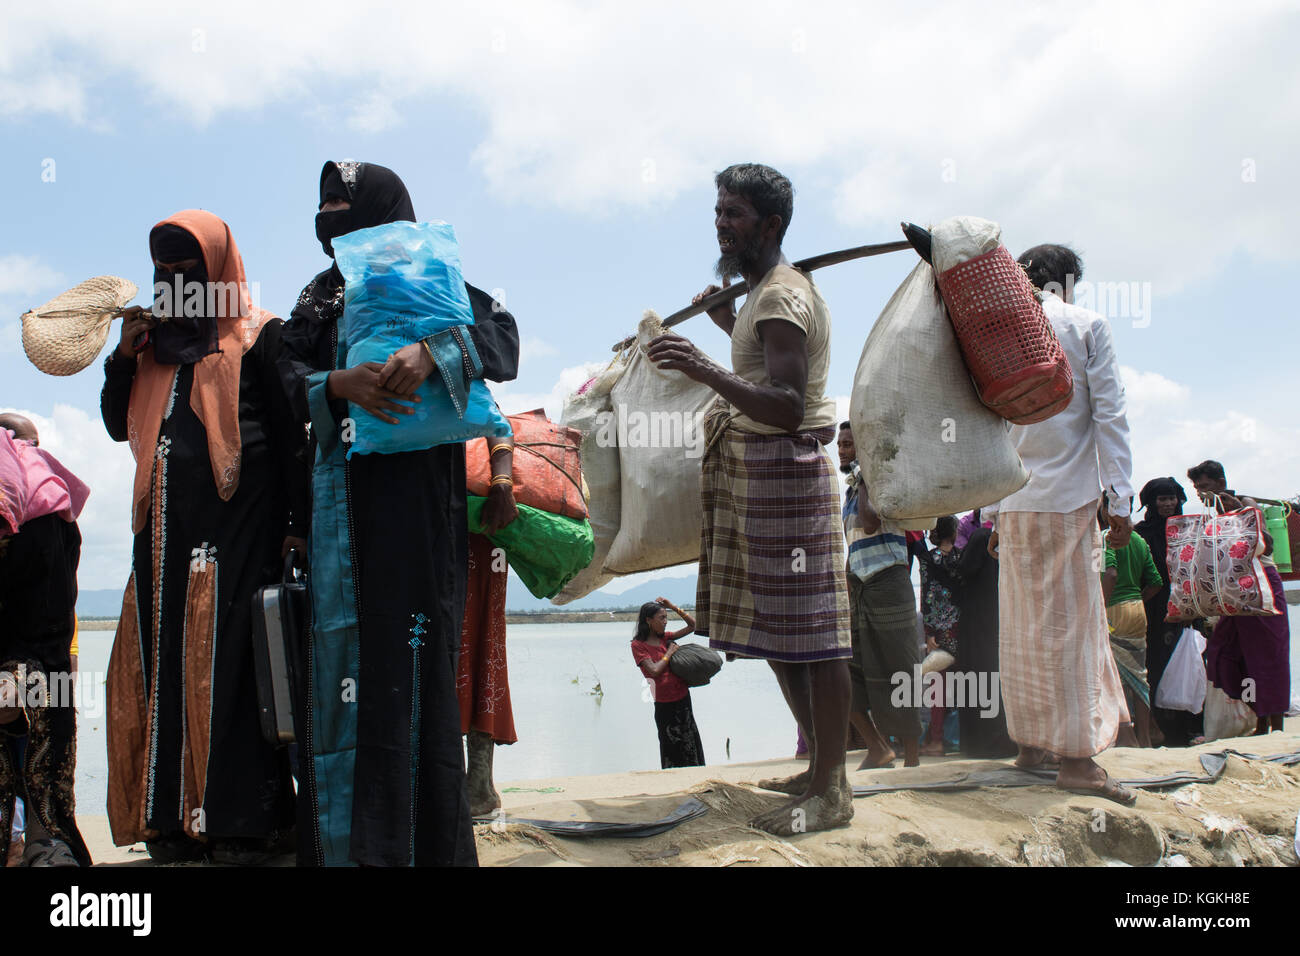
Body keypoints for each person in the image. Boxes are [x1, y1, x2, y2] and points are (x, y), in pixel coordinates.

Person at [278, 161, 520, 867]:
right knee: (345, 678)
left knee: (415, 671)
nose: (332, 218)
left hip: (420, 515)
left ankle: (425, 848)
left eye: (345, 205)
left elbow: (503, 341)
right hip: (341, 519)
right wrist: (339, 383)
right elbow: (282, 381)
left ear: (390, 212)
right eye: (323, 206)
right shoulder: (319, 300)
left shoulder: (434, 282)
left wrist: (433, 349)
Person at [648, 163, 852, 834]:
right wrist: (726, 323)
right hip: (763, 472)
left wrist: (701, 365)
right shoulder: (765, 295)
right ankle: (820, 762)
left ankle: (832, 789)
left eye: (734, 214)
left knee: (817, 637)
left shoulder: (781, 294)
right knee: (784, 634)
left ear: (770, 225)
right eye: (718, 211)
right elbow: (767, 367)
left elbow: (789, 406)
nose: (721, 224)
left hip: (787, 470)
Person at [101, 210, 306, 864]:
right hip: (161, 539)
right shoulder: (153, 347)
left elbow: (295, 439)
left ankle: (240, 823)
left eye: (188, 265)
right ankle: (165, 819)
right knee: (163, 666)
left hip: (241, 537)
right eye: (162, 267)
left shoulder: (263, 337)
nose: (173, 279)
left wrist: (297, 530)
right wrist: (120, 362)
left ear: (219, 268)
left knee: (234, 668)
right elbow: (115, 424)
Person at [985, 243, 1136, 805]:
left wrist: (991, 512)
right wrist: (1119, 500)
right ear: (1069, 282)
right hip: (1069, 500)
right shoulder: (1086, 324)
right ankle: (1076, 761)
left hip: (1015, 501)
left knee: (1022, 627)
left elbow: (989, 427)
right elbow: (1111, 414)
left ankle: (1030, 747)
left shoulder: (996, 337)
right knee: (1073, 628)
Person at [0, 427, 91, 867]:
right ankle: (45, 839)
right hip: (45, 663)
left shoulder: (15, 496)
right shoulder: (49, 488)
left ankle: (31, 840)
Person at [1185, 463, 1291, 735]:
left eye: (1205, 487)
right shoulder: (1211, 514)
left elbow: (1266, 542)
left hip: (1261, 587)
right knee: (1227, 654)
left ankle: (1275, 726)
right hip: (1233, 592)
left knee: (1268, 658)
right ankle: (1259, 719)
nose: (1201, 494)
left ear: (1220, 482)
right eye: (1197, 489)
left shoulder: (1246, 504)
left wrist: (1240, 514)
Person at [839, 422, 921, 768]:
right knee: (848, 670)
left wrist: (867, 477)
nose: (841, 450)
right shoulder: (850, 492)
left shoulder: (878, 483)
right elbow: (854, 544)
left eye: (848, 445)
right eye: (840, 444)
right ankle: (877, 746)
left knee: (899, 669)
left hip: (888, 582)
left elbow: (871, 522)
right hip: (859, 586)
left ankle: (913, 759)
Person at [459, 436, 519, 817]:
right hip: (479, 544)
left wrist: (501, 483)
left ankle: (477, 789)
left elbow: (500, 430)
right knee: (479, 650)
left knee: (477, 651)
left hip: (477, 540)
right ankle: (474, 788)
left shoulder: (466, 390)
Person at [1133, 477, 1201, 745]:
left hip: (1187, 610)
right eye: (1162, 499)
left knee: (1191, 665)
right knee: (1157, 666)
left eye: (1171, 498)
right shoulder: (1141, 534)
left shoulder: (1190, 530)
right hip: (1154, 610)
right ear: (1151, 502)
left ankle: (1194, 728)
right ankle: (1160, 729)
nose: (1168, 503)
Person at [953, 513, 1016, 758]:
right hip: (999, 624)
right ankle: (1002, 742)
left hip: (974, 627)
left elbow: (962, 571)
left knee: (973, 684)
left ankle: (973, 744)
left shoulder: (980, 538)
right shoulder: (1004, 547)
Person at [1100, 507, 1163, 748]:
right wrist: (1136, 599)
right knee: (1139, 677)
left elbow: (1111, 574)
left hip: (1113, 610)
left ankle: (1121, 736)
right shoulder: (1139, 540)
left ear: (1107, 510)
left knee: (1112, 674)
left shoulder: (1107, 537)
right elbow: (1156, 582)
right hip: (1138, 609)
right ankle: (1145, 737)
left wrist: (1101, 608)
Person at [630, 599, 705, 768]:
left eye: (666, 617)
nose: (665, 622)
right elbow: (654, 671)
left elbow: (693, 626)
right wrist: (669, 653)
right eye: (661, 618)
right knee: (670, 746)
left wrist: (674, 607)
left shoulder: (666, 637)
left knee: (689, 741)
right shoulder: (638, 645)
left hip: (683, 698)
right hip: (664, 704)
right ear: (648, 620)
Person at [919, 516, 963, 756]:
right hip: (962, 629)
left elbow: (927, 597)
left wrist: (929, 633)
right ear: (954, 533)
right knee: (968, 684)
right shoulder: (962, 557)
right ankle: (961, 738)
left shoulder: (927, 560)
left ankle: (936, 741)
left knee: (939, 687)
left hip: (940, 632)